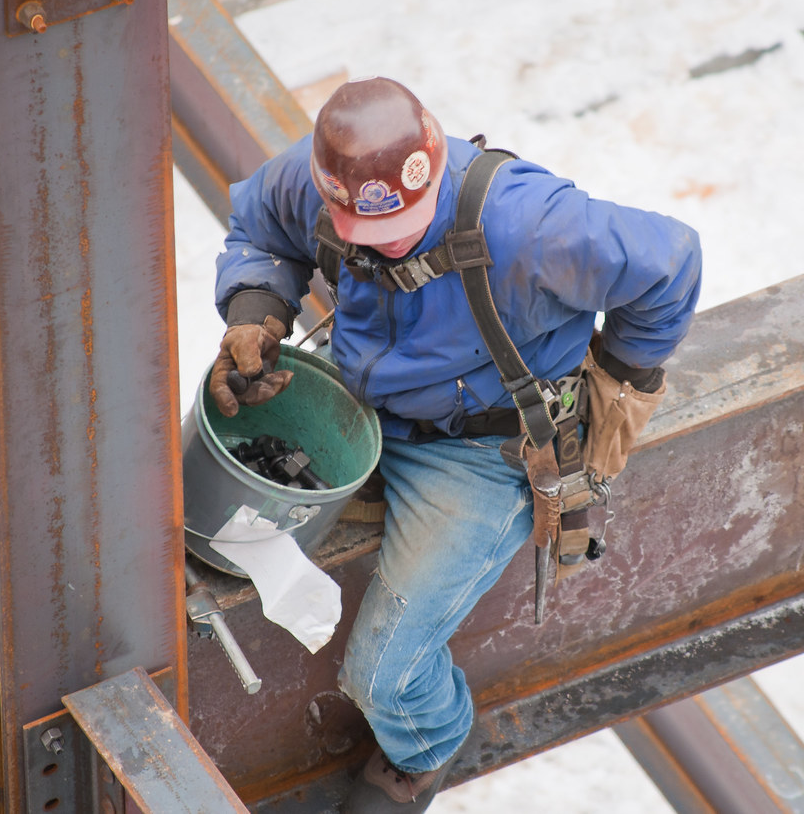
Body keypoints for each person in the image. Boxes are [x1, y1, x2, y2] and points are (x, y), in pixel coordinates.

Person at [208, 76, 702, 813]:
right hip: (364, 407)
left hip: (481, 451)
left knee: (384, 674)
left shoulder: (530, 227)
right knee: (208, 517)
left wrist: (620, 376)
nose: (391, 245)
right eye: (369, 236)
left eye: (405, 226)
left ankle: (428, 743)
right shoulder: (315, 180)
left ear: (436, 173)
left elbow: (671, 263)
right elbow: (257, 230)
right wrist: (255, 308)